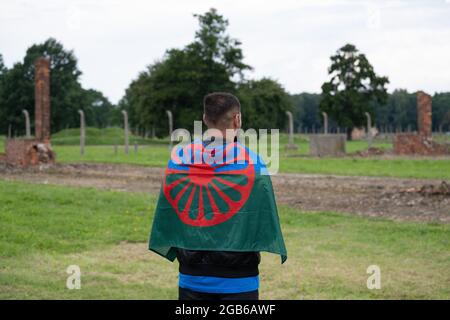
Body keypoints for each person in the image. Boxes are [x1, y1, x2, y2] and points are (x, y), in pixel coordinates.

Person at [148, 92, 287, 301]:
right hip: (240, 281)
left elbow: (171, 215)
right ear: (237, 119)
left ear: (204, 118)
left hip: (191, 278)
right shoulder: (254, 164)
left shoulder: (178, 161)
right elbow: (261, 220)